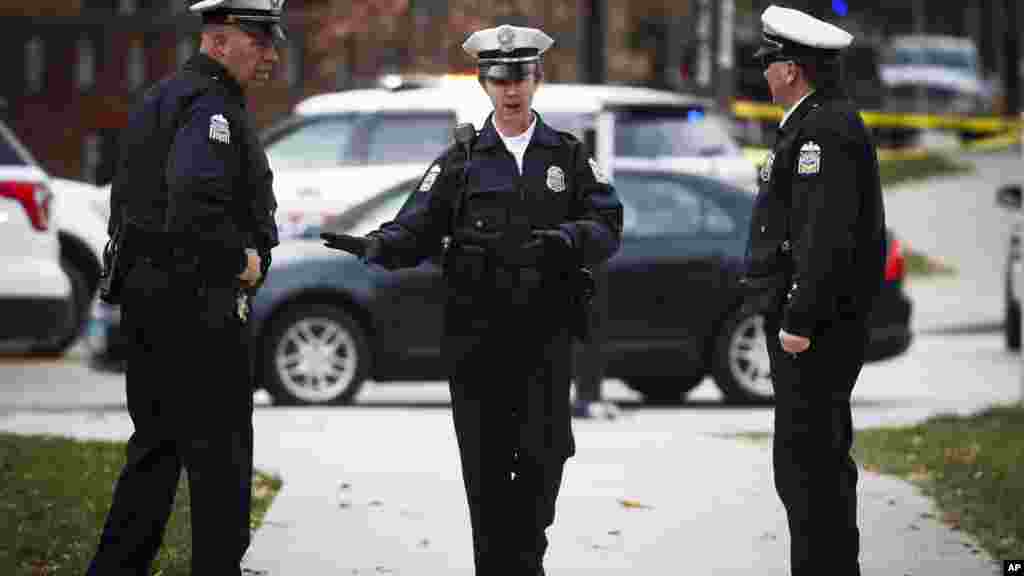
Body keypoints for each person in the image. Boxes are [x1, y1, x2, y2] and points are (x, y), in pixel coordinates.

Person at [322, 24, 622, 575]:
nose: (512, 89)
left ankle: (524, 555)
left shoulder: (567, 155)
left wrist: (566, 242)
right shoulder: (461, 159)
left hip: (544, 336)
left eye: (522, 77)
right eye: (501, 78)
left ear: (537, 80)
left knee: (544, 457)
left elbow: (607, 224)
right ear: (484, 83)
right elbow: (414, 228)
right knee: (484, 471)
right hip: (476, 340)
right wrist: (374, 246)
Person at [86, 0, 281, 574]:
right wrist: (242, 261)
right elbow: (193, 202)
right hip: (199, 311)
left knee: (154, 456)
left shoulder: (164, 96)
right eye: (259, 40)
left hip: (151, 304)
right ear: (219, 42)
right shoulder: (212, 106)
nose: (271, 54)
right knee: (220, 468)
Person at [742, 5, 886, 576]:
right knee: (806, 469)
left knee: (811, 471)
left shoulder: (823, 131)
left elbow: (823, 238)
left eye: (770, 63)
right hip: (811, 329)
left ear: (792, 70)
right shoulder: (813, 123)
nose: (765, 74)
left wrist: (799, 321)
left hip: (817, 334)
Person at [570, 261, 620, 420]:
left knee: (595, 329)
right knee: (585, 328)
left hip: (594, 260)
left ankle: (592, 395)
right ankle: (585, 397)